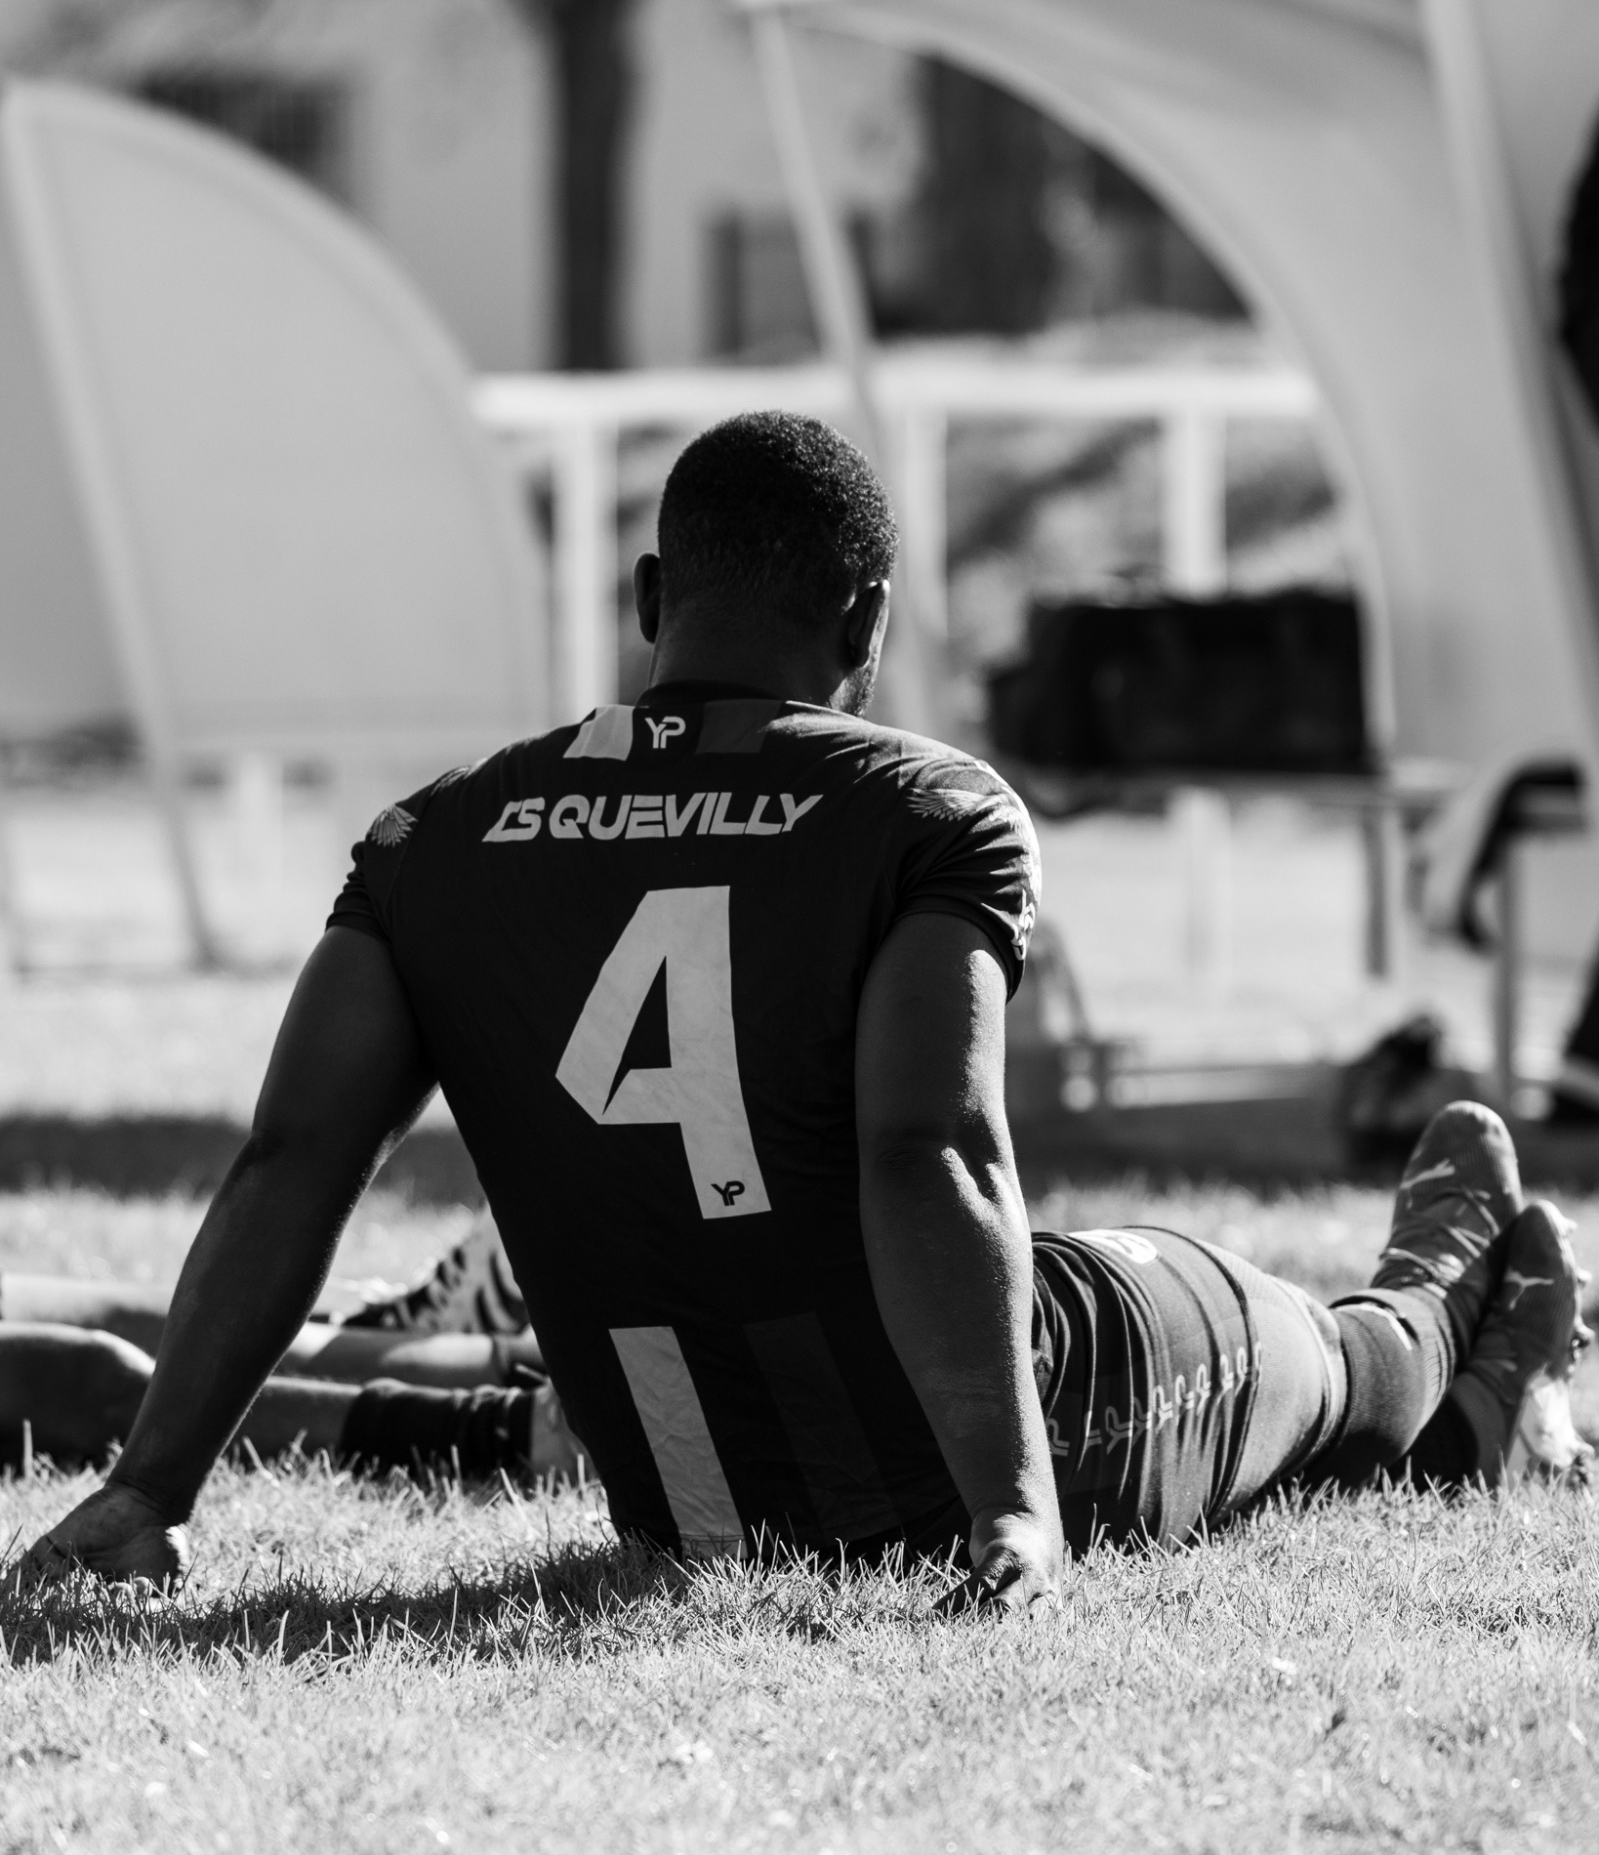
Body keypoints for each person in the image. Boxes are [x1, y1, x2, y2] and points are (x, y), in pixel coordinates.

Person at [14, 414, 1592, 1606]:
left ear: (652, 597)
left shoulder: (434, 835)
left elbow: (292, 1160)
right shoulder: (925, 807)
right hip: (1003, 1433)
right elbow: (930, 1152)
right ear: (867, 623)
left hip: (688, 1495)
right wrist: (1012, 1510)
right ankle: (1444, 1328)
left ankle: (1476, 1402)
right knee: (1328, 1353)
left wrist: (152, 1489)